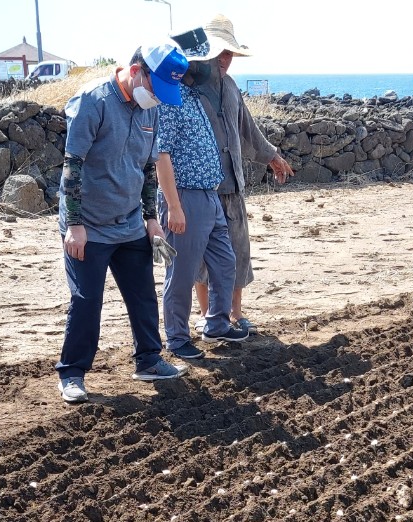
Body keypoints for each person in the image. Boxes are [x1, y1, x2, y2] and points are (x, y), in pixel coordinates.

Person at [55, 43, 189, 403]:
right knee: (87, 301)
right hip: (90, 226)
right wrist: (75, 224)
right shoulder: (93, 101)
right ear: (135, 72)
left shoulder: (151, 110)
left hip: (130, 221)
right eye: (155, 89)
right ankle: (72, 373)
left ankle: (148, 360)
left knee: (142, 294)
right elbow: (73, 164)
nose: (157, 98)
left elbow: (147, 168)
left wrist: (150, 219)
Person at [188, 14, 295, 331]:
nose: (224, 59)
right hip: (201, 188)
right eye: (219, 52)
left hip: (232, 184)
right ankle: (207, 313)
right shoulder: (188, 87)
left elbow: (248, 129)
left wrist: (272, 156)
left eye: (228, 53)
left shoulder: (232, 87)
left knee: (238, 251)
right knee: (202, 255)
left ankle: (234, 312)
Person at [155, 27, 248, 362]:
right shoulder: (168, 100)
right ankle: (177, 338)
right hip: (184, 197)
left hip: (209, 195)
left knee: (225, 263)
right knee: (180, 273)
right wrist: (174, 206)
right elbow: (161, 155)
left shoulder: (193, 97)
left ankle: (217, 323)